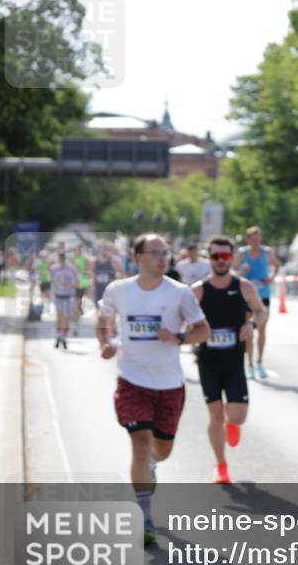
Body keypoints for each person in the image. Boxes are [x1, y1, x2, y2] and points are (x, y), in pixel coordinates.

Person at [96, 233, 209, 545]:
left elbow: (203, 330)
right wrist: (105, 343)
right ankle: (143, 515)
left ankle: (153, 466)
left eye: (166, 253)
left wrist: (179, 338)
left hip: (169, 386)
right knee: (140, 444)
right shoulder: (118, 290)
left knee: (162, 450)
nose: (163, 258)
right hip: (131, 382)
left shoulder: (179, 293)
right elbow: (103, 319)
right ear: (138, 257)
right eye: (156, 252)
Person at [192, 236, 267, 484]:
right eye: (216, 256)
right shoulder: (198, 290)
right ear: (209, 258)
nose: (221, 261)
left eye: (225, 256)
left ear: (232, 258)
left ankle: (231, 422)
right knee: (214, 415)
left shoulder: (244, 286)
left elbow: (261, 310)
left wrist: (252, 324)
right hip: (208, 361)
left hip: (234, 360)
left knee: (237, 416)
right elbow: (183, 318)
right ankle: (221, 466)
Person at [234, 226, 279, 379]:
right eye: (253, 238)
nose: (256, 241)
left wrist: (272, 277)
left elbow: (276, 265)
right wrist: (242, 272)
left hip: (263, 294)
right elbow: (232, 271)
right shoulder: (242, 253)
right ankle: (250, 365)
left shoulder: (267, 252)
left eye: (258, 238)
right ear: (248, 239)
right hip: (247, 296)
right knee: (248, 330)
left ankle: (260, 361)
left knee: (262, 329)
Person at [49, 253, 78, 349]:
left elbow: (76, 283)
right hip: (58, 296)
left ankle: (64, 337)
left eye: (63, 261)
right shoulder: (53, 268)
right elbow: (51, 281)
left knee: (66, 317)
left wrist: (69, 284)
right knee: (59, 316)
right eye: (60, 261)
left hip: (68, 296)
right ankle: (58, 335)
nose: (62, 263)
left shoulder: (71, 269)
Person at [91, 241, 124, 308]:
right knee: (98, 307)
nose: (102, 251)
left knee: (109, 309)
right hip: (99, 288)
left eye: (104, 249)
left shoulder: (113, 260)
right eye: (100, 249)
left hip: (109, 288)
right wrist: (93, 282)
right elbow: (93, 274)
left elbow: (122, 273)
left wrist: (116, 281)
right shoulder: (95, 261)